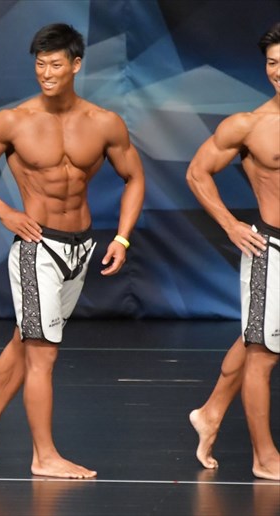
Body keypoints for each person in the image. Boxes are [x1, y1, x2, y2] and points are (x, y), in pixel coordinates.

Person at [0, 23, 145, 479]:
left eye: (55, 65)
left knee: (25, 340)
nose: (46, 73)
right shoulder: (13, 121)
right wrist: (5, 212)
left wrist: (122, 237)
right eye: (40, 65)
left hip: (81, 247)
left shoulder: (104, 123)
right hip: (36, 247)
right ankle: (44, 456)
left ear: (76, 65)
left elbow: (134, 178)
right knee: (43, 352)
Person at [187, 23, 280, 481]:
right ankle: (264, 457)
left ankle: (211, 412)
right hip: (272, 250)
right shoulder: (250, 125)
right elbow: (197, 172)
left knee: (253, 338)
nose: (278, 71)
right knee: (263, 352)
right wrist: (229, 223)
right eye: (272, 63)